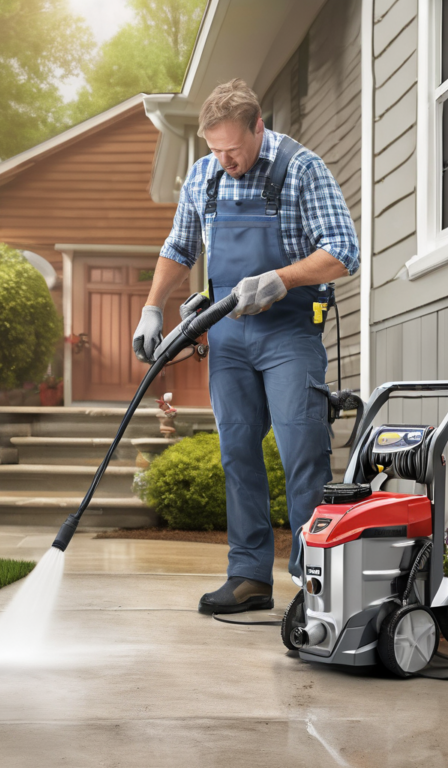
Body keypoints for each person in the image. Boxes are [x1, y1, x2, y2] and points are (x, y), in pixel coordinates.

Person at [133, 79, 359, 614]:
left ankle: (315, 584)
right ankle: (249, 576)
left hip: (289, 330)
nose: (225, 160)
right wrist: (152, 306)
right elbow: (180, 245)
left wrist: (282, 278)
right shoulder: (204, 175)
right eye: (215, 150)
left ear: (259, 127)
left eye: (233, 149)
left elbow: (344, 252)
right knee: (237, 453)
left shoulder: (301, 169)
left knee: (301, 450)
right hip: (229, 335)